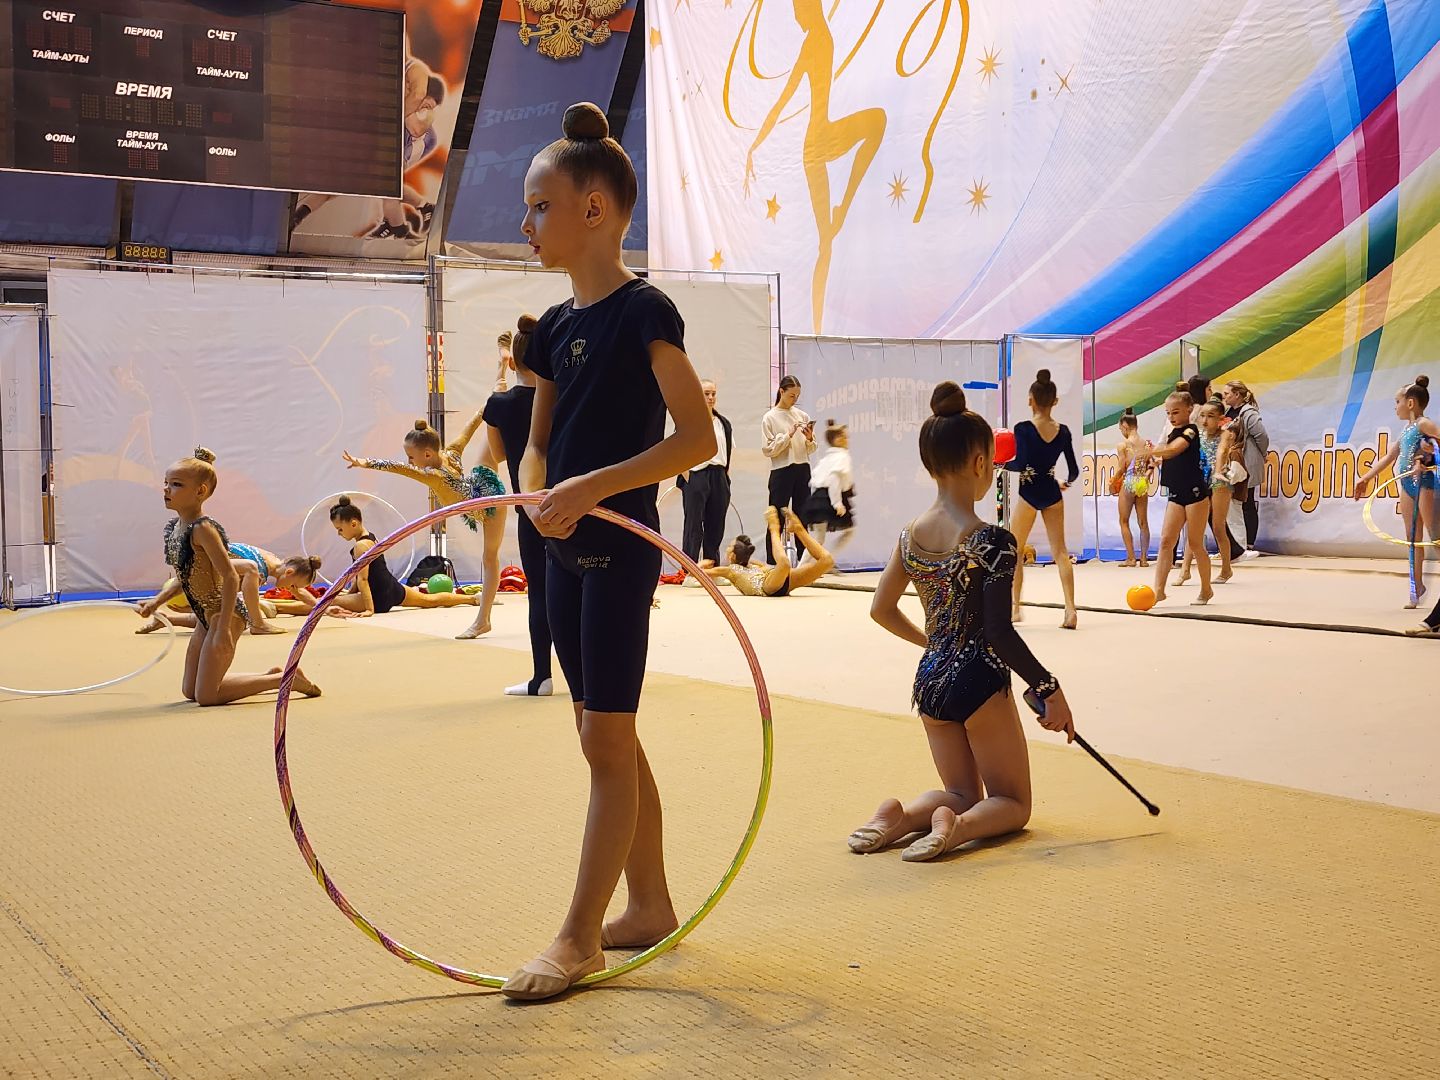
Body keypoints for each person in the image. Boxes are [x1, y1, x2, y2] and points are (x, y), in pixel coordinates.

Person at [506, 103, 717, 1000]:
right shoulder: (551, 327)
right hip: (560, 548)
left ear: (595, 209)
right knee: (603, 735)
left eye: (539, 206)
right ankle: (652, 903)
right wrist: (541, 490)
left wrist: (593, 490)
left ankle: (580, 936)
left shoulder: (645, 311)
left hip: (620, 547)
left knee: (605, 737)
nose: (527, 224)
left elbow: (697, 440)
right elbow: (540, 443)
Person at [849, 381, 1074, 862]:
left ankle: (902, 817)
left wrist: (931, 642)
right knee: (1013, 802)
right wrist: (1048, 687)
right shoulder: (992, 539)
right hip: (978, 679)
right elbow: (998, 632)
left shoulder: (911, 536)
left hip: (929, 681)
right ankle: (959, 829)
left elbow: (881, 610)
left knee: (959, 790)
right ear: (980, 465)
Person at [134, 449, 322, 705]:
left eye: (176, 485)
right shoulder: (177, 528)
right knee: (190, 692)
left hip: (226, 613)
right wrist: (155, 602)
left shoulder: (203, 529)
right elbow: (185, 577)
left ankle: (284, 681)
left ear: (200, 491)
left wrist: (223, 628)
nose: (166, 489)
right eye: (166, 483)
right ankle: (273, 675)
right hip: (204, 614)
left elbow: (231, 577)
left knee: (207, 697)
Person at [342, 413, 507, 640]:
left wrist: (365, 463)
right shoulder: (451, 453)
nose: (410, 461)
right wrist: (485, 409)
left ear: (427, 454)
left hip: (489, 507)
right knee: (494, 425)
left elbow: (398, 468)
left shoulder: (434, 476)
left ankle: (483, 620)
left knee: (490, 558)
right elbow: (468, 429)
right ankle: (499, 396)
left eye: (411, 456)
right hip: (483, 478)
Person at [483, 316, 555, 696]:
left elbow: (496, 455)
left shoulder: (499, 403)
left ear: (512, 362)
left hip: (530, 506)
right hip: (570, 500)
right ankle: (587, 676)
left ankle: (542, 675)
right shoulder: (563, 397)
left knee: (541, 591)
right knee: (578, 589)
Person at [1353, 375, 1439, 608]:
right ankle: (1416, 586)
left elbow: (1438, 447)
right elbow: (1389, 457)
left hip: (1426, 484)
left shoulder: (1424, 424)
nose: (1395, 406)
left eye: (1397, 401)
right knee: (1413, 539)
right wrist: (1366, 478)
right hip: (1407, 486)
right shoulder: (1406, 430)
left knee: (1436, 537)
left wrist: (1426, 457)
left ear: (1410, 403)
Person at [1004, 369, 1080, 629]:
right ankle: (1070, 610)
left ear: (1030, 400)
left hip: (1028, 492)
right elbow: (1074, 471)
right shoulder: (1064, 431)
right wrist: (1064, 483)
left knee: (1015, 551)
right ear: (1055, 401)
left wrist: (999, 464)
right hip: (1051, 490)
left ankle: (1015, 609)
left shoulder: (1023, 429)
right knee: (1060, 551)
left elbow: (1021, 463)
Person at [322, 496, 481, 617]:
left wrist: (369, 609)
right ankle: (473, 599)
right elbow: (362, 576)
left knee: (324, 603)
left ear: (353, 523)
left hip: (378, 597)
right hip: (392, 588)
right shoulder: (370, 537)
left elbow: (363, 580)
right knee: (430, 601)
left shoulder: (360, 546)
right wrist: (351, 595)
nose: (339, 533)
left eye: (340, 529)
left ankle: (297, 604)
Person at [134, 549, 346, 635]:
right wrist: (157, 600)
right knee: (240, 614)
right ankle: (258, 624)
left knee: (234, 615)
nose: (291, 590)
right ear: (289, 572)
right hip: (183, 588)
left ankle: (166, 619)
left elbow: (300, 594)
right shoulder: (256, 567)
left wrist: (325, 609)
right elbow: (195, 572)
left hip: (192, 592)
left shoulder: (269, 560)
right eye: (293, 585)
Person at [1140, 391, 1213, 606]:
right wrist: (1154, 459)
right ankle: (1159, 590)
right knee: (1165, 542)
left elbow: (1173, 450)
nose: (1171, 417)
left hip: (1195, 494)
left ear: (1189, 410)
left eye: (1176, 412)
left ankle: (1206, 589)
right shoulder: (1172, 432)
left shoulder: (1190, 431)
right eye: (1168, 413)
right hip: (1176, 494)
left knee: (1195, 543)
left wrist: (1151, 452)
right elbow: (1166, 452)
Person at [698, 507, 835, 596]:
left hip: (772, 583)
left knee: (827, 561)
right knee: (785, 564)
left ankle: (782, 529)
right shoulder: (730, 570)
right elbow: (702, 575)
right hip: (774, 584)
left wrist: (700, 566)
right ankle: (795, 529)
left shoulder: (735, 568)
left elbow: (698, 574)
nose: (726, 549)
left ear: (731, 555)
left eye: (729, 547)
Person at [1176, 402, 1237, 585]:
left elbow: (1222, 451)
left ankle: (1226, 568)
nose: (1205, 420)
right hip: (1200, 481)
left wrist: (1218, 470)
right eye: (1202, 415)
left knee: (1218, 527)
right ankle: (1185, 570)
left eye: (1210, 416)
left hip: (1219, 482)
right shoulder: (1197, 434)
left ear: (1220, 419)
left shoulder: (1226, 434)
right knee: (1195, 526)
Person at [677, 378, 734, 565]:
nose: (710, 398)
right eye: (706, 394)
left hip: (718, 475)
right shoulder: (689, 420)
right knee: (694, 524)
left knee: (716, 524)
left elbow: (728, 450)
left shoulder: (723, 423)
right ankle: (690, 569)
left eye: (713, 394)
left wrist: (725, 476)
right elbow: (677, 450)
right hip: (697, 474)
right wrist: (687, 476)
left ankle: (711, 567)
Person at [761, 374, 817, 564]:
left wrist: (809, 438)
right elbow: (768, 450)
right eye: (791, 395)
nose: (795, 399)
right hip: (781, 471)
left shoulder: (802, 416)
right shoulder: (770, 417)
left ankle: (804, 561)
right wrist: (788, 434)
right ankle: (773, 561)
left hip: (802, 468)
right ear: (781, 392)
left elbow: (811, 448)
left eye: (797, 395)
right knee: (776, 517)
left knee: (802, 516)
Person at [1222, 380, 1269, 557]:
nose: (1224, 396)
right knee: (1235, 503)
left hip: (1246, 461)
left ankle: (1248, 543)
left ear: (1237, 395)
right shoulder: (1228, 412)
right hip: (1232, 462)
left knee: (1247, 501)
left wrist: (1261, 454)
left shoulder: (1248, 413)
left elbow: (1262, 436)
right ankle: (1235, 543)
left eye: (1227, 393)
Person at [800, 420, 855, 563]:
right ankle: (828, 560)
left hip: (818, 498)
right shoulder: (842, 456)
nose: (847, 440)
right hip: (829, 497)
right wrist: (837, 503)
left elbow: (815, 480)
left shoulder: (828, 458)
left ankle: (801, 568)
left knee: (818, 539)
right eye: (844, 437)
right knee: (849, 531)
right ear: (837, 439)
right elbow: (833, 479)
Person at [1115, 408, 1153, 567]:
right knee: (1143, 522)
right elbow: (1151, 465)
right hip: (1142, 482)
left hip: (1130, 481)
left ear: (1125, 425)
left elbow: (1122, 467)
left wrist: (1113, 480)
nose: (1121, 431)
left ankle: (1131, 558)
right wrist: (1146, 476)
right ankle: (1144, 559)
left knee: (1124, 521)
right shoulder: (1147, 443)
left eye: (1120, 428)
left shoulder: (1123, 445)